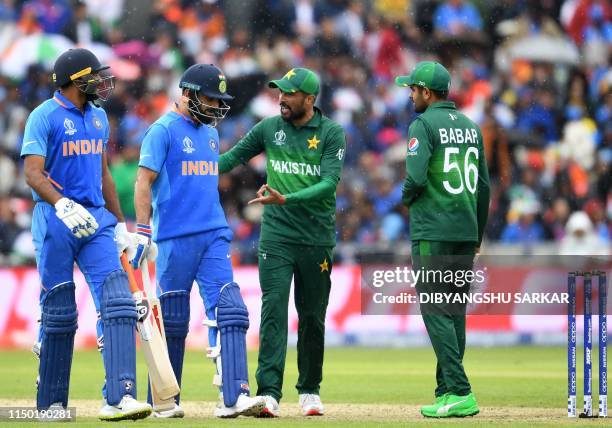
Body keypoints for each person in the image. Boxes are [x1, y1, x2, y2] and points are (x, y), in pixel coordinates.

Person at [21, 48, 151, 420]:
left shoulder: (97, 116)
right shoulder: (43, 116)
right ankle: (52, 404)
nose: (100, 82)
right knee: (61, 313)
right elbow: (33, 173)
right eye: (94, 76)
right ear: (75, 80)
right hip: (55, 217)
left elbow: (104, 174)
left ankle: (119, 396)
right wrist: (62, 204)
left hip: (96, 221)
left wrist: (121, 222)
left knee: (118, 302)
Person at [132, 63, 265, 418]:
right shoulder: (162, 131)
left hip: (214, 234)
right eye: (209, 98)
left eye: (219, 100)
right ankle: (164, 401)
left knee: (229, 309)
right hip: (174, 238)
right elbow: (143, 182)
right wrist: (143, 230)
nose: (215, 106)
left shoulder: (210, 134)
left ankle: (234, 395)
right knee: (173, 321)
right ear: (187, 93)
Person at [219, 67, 347, 417]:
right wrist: (193, 170)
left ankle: (309, 390)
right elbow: (231, 159)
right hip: (276, 237)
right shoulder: (269, 128)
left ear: (309, 98)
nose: (281, 98)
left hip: (316, 238)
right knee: (273, 310)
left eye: (289, 93)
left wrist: (286, 199)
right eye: (279, 92)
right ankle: (269, 392)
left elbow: (329, 184)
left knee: (312, 316)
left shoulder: (331, 133)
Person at [395, 61, 490, 418]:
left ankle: (461, 391)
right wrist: (477, 235)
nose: (409, 94)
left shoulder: (422, 124)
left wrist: (404, 198)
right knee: (454, 312)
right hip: (465, 231)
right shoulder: (470, 127)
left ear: (426, 92)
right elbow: (484, 188)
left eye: (413, 89)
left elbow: (416, 179)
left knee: (435, 308)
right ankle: (446, 391)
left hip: (433, 230)